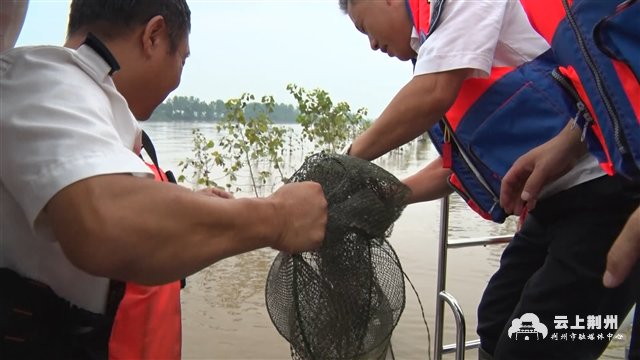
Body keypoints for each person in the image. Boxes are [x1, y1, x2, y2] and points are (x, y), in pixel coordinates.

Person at [0, 1, 327, 358]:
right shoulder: (40, 82)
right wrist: (277, 218)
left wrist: (189, 201)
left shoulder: (102, 110)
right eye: (183, 59)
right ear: (153, 36)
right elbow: (104, 222)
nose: (178, 77)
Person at [338, 0, 639, 358]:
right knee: (496, 320)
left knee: (532, 348)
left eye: (363, 27)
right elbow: (456, 168)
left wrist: (344, 163)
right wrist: (394, 195)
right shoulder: (443, 51)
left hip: (604, 189)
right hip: (551, 205)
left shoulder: (460, 10)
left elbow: (434, 91)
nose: (371, 44)